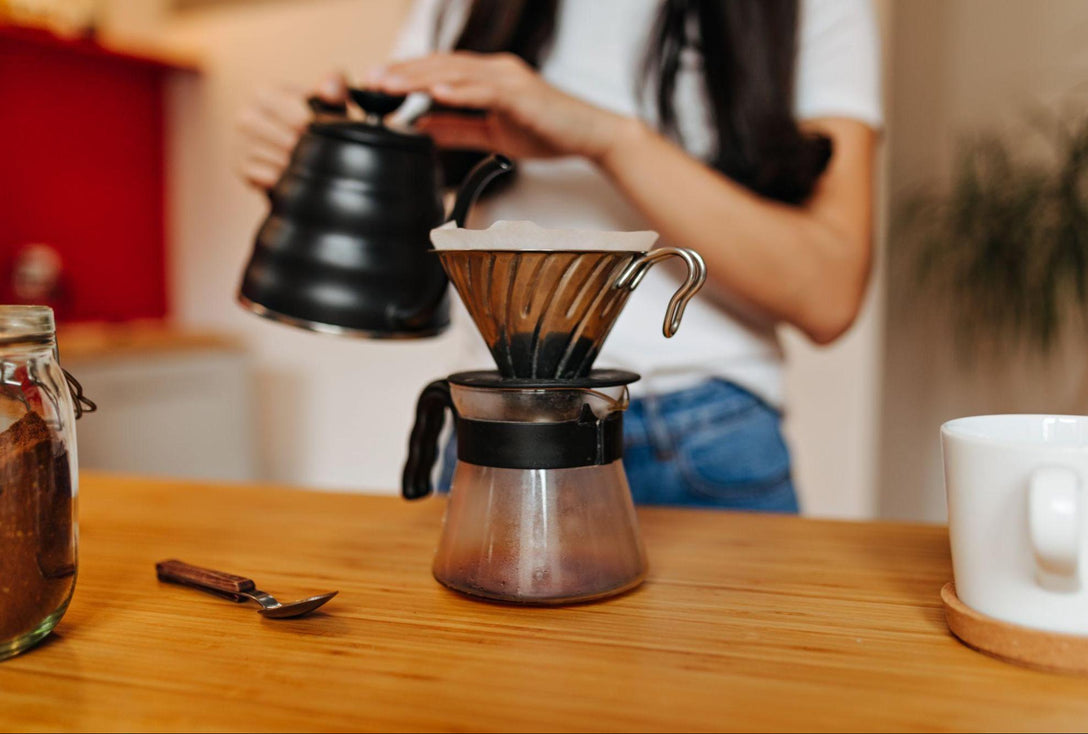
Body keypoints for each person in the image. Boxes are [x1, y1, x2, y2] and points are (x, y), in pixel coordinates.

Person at [236, 0, 881, 513]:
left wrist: (606, 138)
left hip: (704, 442)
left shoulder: (812, 10)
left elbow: (828, 294)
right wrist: (324, 171)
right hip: (494, 428)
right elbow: (407, 237)